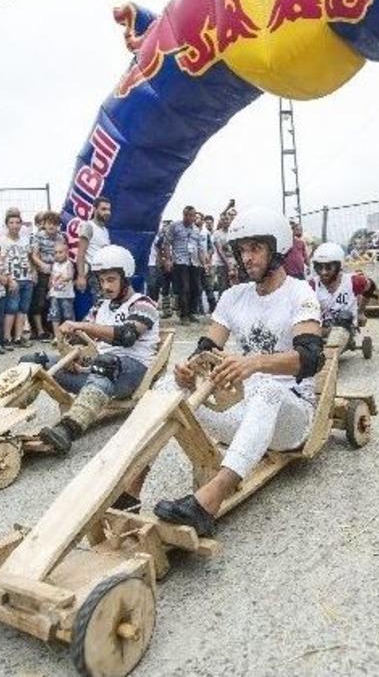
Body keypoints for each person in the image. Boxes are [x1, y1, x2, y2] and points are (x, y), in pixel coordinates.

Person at [111, 207, 325, 535]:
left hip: (291, 419)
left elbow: (310, 358)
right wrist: (188, 369)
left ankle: (206, 504)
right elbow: (205, 349)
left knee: (265, 386)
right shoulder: (232, 296)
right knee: (168, 387)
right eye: (241, 250)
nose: (246, 258)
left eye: (255, 248)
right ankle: (131, 490)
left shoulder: (300, 293)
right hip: (245, 415)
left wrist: (253, 363)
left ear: (277, 248)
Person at [37, 245, 162, 452]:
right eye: (102, 280)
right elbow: (80, 340)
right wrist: (70, 351)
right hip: (98, 369)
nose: (105, 286)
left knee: (106, 362)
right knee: (36, 361)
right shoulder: (100, 307)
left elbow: (127, 336)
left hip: (132, 372)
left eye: (111, 279)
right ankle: (1, 419)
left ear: (126, 277)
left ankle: (67, 430)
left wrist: (82, 326)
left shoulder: (143, 304)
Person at [310, 242, 374, 349]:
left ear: (339, 266)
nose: (323, 272)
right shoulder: (312, 285)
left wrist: (361, 311)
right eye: (319, 267)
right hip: (323, 328)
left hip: (345, 326)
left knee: (344, 316)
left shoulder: (353, 281)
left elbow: (371, 287)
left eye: (329, 268)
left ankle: (332, 349)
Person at [0, 209, 34, 348]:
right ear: (7, 224)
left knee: (23, 309)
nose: (15, 225)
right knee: (11, 308)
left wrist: (33, 273)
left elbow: (30, 257)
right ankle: (7, 337)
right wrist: (9, 278)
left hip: (27, 278)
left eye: (17, 222)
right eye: (11, 222)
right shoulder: (2, 241)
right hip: (13, 279)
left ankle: (18, 337)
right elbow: (1, 261)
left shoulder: (25, 240)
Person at [74, 197, 112, 320]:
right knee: (99, 305)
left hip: (106, 272)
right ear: (95, 209)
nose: (107, 212)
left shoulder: (105, 230)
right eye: (103, 209)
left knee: (106, 304)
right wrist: (81, 276)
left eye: (109, 209)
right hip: (94, 273)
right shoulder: (88, 226)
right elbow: (81, 253)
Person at [29, 210, 61, 341]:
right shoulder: (38, 236)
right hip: (42, 272)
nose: (51, 226)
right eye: (49, 223)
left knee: (51, 303)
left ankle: (49, 330)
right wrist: (42, 265)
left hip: (56, 274)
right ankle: (39, 331)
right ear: (44, 224)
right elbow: (34, 255)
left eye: (54, 224)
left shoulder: (61, 237)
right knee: (39, 302)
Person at [169, 206, 198, 323]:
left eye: (193, 215)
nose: (190, 218)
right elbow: (167, 243)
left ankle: (191, 312)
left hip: (194, 262)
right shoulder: (175, 226)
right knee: (184, 288)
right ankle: (184, 315)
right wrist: (168, 259)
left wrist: (204, 262)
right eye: (188, 215)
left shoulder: (196, 230)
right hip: (180, 261)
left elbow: (199, 248)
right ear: (184, 215)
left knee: (195, 288)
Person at [48, 241, 76, 341]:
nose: (58, 255)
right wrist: (49, 289)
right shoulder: (54, 264)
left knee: (67, 315)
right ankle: (57, 336)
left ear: (66, 253)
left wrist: (61, 279)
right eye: (55, 253)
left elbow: (70, 275)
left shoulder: (69, 264)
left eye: (60, 252)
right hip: (55, 295)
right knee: (54, 315)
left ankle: (70, 337)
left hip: (66, 295)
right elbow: (51, 278)